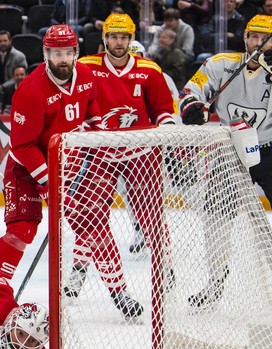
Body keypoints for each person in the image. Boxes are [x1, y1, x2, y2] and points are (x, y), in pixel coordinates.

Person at [180, 14, 272, 306]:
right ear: (245, 37)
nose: (258, 43)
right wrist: (192, 107)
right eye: (253, 36)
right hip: (231, 149)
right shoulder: (220, 63)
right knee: (215, 218)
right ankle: (215, 283)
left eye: (265, 38)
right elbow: (191, 91)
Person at [69, 13, 177, 318]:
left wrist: (168, 129)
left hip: (141, 154)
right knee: (92, 219)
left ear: (132, 39)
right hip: (99, 154)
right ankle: (81, 273)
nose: (119, 42)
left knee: (151, 215)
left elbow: (163, 111)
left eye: (124, 37)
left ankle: (165, 265)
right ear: (105, 38)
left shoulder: (149, 71)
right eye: (114, 37)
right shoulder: (86, 67)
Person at [0, 25, 103, 296]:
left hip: (68, 165)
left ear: (76, 52)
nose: (62, 59)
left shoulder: (85, 74)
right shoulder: (31, 90)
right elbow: (23, 145)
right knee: (22, 230)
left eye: (67, 52)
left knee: (89, 222)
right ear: (46, 54)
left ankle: (79, 278)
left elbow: (91, 108)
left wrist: (95, 142)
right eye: (56, 53)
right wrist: (48, 181)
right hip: (26, 170)